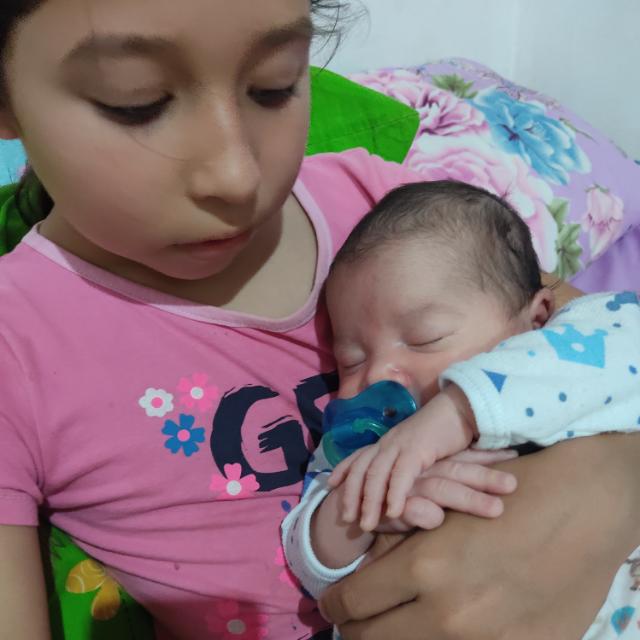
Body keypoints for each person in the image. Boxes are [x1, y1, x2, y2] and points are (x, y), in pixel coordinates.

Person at [0, 2, 639, 640]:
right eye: (136, 103)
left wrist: (610, 486)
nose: (236, 175)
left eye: (273, 85)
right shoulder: (17, 340)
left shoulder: (387, 208)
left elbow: (602, 340)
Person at [282, 181, 640, 639]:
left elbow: (622, 342)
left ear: (537, 319)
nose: (377, 375)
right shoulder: (362, 444)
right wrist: (367, 506)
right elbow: (308, 557)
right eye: (351, 360)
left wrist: (460, 410)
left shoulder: (575, 352)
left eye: (425, 338)